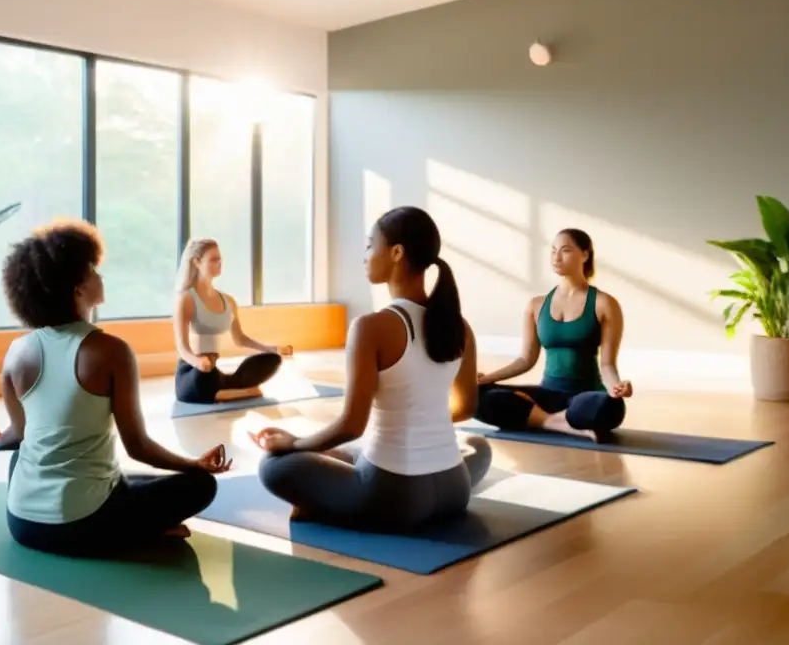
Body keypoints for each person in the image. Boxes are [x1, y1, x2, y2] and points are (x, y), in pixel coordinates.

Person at [0, 219, 232, 558]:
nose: (101, 276)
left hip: (22, 523)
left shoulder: (17, 351)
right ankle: (138, 533)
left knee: (32, 461)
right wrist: (194, 465)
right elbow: (138, 446)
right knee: (199, 485)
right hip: (82, 525)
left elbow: (19, 434)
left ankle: (129, 523)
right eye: (93, 269)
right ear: (77, 289)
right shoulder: (110, 351)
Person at [250, 206, 492, 533]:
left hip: (396, 497)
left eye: (369, 245)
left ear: (396, 252)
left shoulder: (371, 327)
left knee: (273, 466)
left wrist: (293, 445)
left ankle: (323, 505)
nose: (364, 255)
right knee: (478, 445)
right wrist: (422, 422)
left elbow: (352, 425)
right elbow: (466, 408)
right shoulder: (459, 326)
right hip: (455, 489)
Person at [474, 228, 631, 442]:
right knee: (474, 396)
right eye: (553, 250)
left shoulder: (605, 304)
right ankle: (557, 422)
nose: (556, 257)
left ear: (585, 255)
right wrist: (487, 379)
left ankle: (541, 419)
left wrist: (616, 387)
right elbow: (525, 360)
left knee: (607, 407)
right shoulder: (536, 305)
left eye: (565, 250)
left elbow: (607, 365)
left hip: (586, 396)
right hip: (547, 395)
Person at [173, 238, 290, 404]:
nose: (219, 263)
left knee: (272, 360)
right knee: (207, 376)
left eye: (220, 259)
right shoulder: (187, 299)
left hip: (214, 371)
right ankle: (232, 392)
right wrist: (198, 362)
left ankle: (224, 390)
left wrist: (272, 348)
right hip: (193, 372)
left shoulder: (228, 301)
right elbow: (182, 346)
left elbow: (240, 339)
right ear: (197, 262)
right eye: (213, 259)